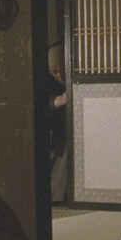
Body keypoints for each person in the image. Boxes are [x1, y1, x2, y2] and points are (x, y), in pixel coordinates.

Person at [47, 40, 67, 203]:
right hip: (56, 139)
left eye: (62, 70)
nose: (59, 76)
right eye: (54, 72)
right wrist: (57, 101)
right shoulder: (46, 81)